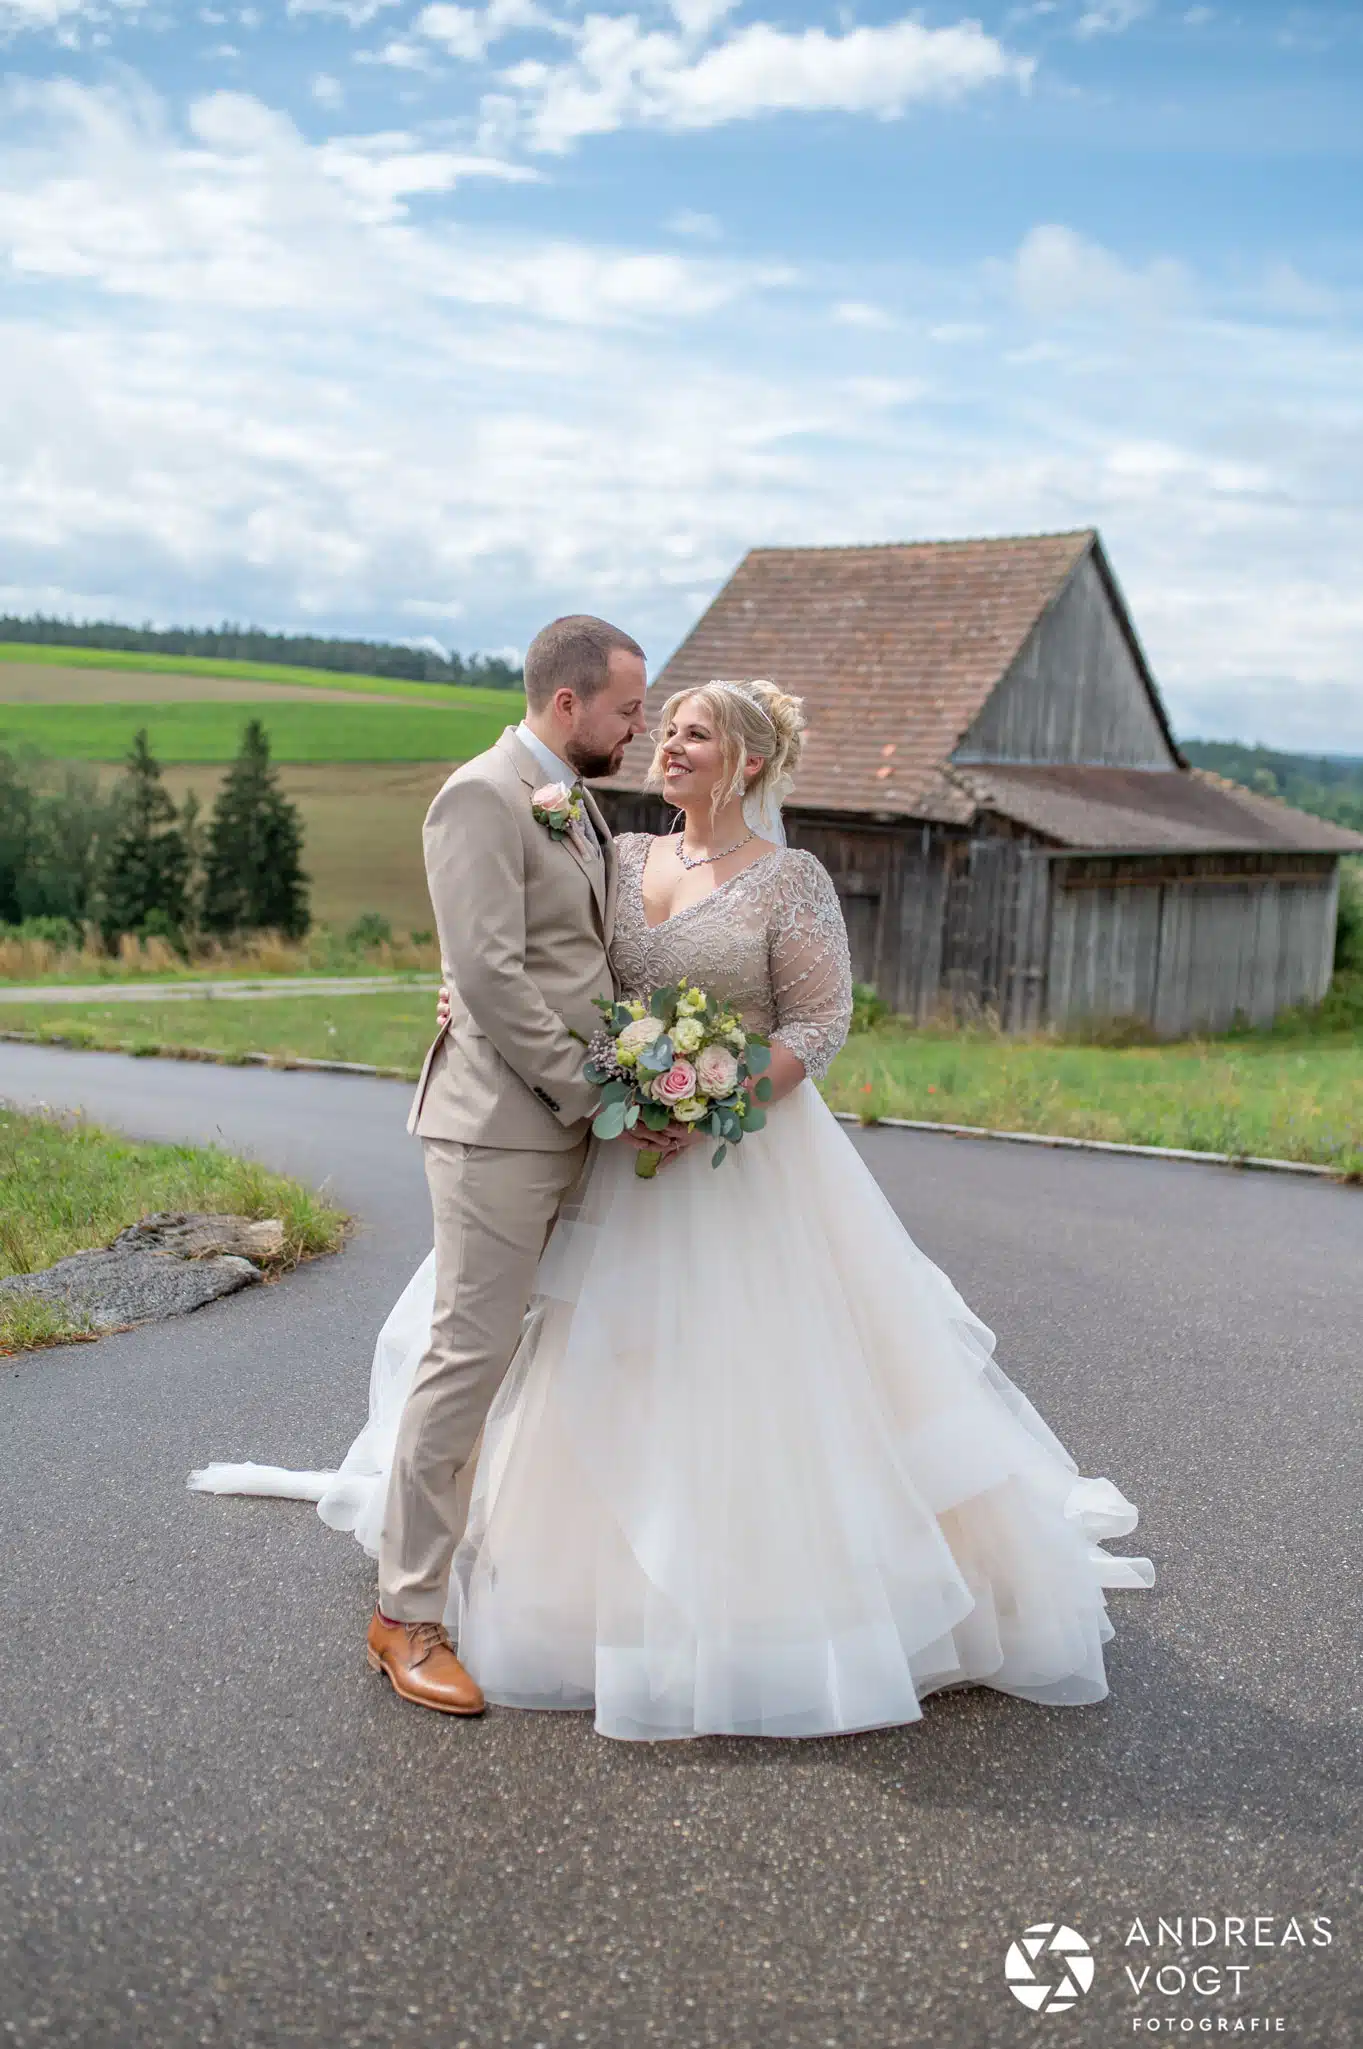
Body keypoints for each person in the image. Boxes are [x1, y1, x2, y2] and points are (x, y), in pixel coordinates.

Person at [191, 673, 1154, 1741]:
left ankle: (756, 1593)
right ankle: (545, 1581)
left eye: (693, 733)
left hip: (739, 1160)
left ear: (746, 760)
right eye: (664, 729)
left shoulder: (790, 881)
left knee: (748, 1378)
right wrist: (464, 986)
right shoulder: (617, 852)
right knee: (574, 1355)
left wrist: (722, 1101)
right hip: (611, 1145)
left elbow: (819, 1021)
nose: (668, 746)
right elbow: (550, 960)